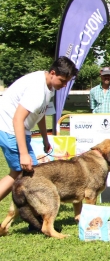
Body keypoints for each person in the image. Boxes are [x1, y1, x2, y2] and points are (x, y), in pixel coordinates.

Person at [0, 57, 78, 205]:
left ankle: (33, 218)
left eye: (67, 82)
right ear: (53, 73)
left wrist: (45, 138)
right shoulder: (37, 89)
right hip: (9, 129)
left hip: (18, 129)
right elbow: (17, 119)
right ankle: (35, 217)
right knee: (26, 173)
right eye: (62, 80)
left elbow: (40, 114)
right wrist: (23, 154)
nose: (64, 85)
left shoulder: (50, 87)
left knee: (28, 174)